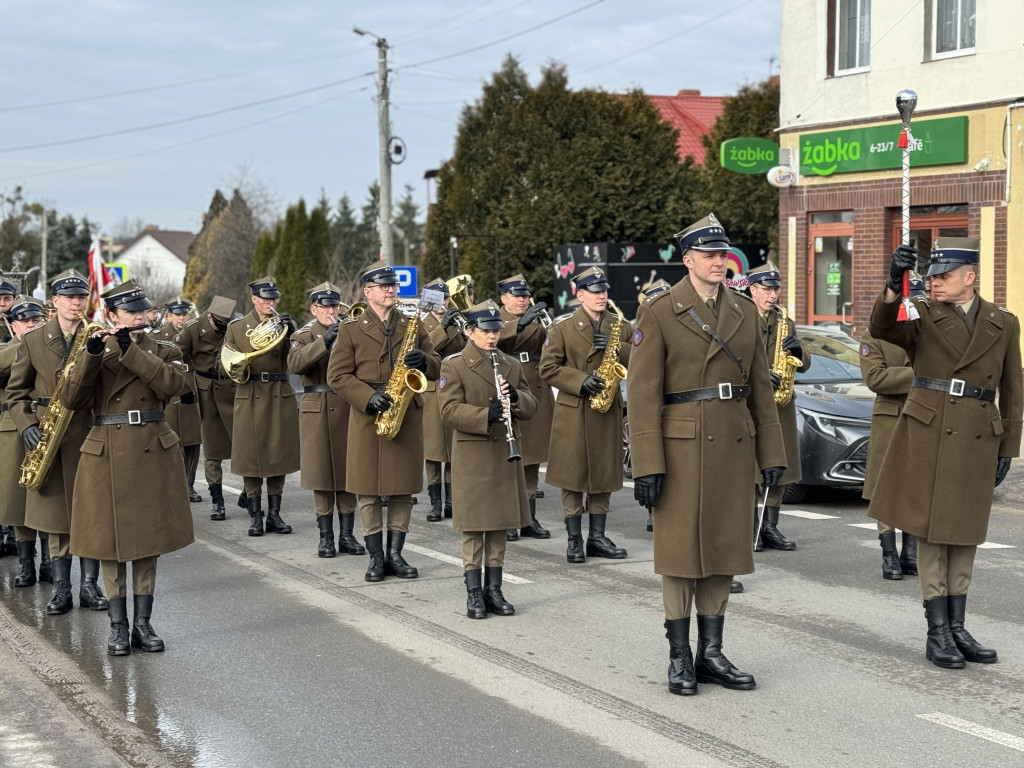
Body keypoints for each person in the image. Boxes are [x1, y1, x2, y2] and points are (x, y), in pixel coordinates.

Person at [629, 214, 786, 695]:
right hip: (680, 447)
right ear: (689, 259)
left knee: (722, 551)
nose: (721, 261)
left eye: (724, 254)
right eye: (710, 255)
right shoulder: (658, 312)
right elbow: (641, 394)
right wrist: (648, 463)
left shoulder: (743, 310)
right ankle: (680, 656)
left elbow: (761, 389)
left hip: (733, 445)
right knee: (679, 557)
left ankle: (711, 654)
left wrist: (771, 452)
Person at [869, 238, 1021, 668]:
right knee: (932, 532)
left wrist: (1008, 445)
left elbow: (1013, 388)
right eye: (932, 275)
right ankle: (937, 631)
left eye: (944, 276)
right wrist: (892, 285)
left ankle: (958, 626)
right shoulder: (920, 313)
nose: (934, 282)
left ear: (969, 277)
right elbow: (883, 329)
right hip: (930, 430)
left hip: (977, 434)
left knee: (965, 532)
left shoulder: (1003, 322)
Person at [64, 280, 194, 655]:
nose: (140, 317)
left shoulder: (165, 349)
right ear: (111, 316)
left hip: (152, 446)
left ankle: (143, 624)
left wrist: (129, 350)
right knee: (109, 541)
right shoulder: (91, 351)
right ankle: (118, 627)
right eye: (131, 312)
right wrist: (90, 356)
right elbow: (73, 399)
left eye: (143, 311)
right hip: (106, 451)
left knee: (147, 541)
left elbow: (173, 385)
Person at [326, 265, 440, 582]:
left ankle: (396, 555)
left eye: (393, 285)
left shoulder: (413, 324)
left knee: (402, 489)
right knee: (368, 490)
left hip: (405, 411)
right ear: (368, 291)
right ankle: (375, 557)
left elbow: (436, 365)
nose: (390, 289)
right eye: (383, 284)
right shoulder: (349, 329)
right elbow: (336, 376)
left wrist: (424, 362)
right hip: (368, 414)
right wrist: (366, 398)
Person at [7, 269, 109, 615]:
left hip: (88, 434)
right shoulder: (32, 340)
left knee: (92, 515)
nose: (75, 303)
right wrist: (26, 426)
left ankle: (90, 587)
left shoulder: (98, 336)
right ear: (55, 301)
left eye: (81, 297)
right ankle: (63, 589)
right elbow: (16, 392)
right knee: (54, 517)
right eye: (68, 297)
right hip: (48, 436)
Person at [438, 300, 537, 617]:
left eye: (496, 331)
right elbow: (448, 410)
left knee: (499, 524)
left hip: (505, 454)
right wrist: (485, 414)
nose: (493, 336)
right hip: (473, 452)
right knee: (474, 528)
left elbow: (532, 404)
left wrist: (516, 398)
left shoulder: (510, 364)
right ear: (470, 331)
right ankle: (474, 593)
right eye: (486, 331)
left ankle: (494, 589)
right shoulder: (453, 364)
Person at [540, 266, 631, 564]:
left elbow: (642, 357)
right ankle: (574, 539)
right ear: (580, 295)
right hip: (575, 410)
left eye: (604, 290)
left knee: (604, 474)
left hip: (606, 410)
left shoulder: (620, 325)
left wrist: (619, 350)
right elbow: (548, 368)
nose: (602, 296)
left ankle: (598, 538)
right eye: (595, 291)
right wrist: (580, 380)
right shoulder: (562, 326)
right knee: (573, 476)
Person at [287, 282, 363, 558]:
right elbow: (295, 364)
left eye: (334, 306)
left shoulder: (351, 329)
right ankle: (325, 537)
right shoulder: (303, 334)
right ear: (314, 308)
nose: (331, 311)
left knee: (347, 472)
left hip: (346, 405)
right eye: (325, 306)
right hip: (316, 406)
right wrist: (324, 342)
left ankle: (347, 535)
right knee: (320, 474)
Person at [859, 278, 925, 580]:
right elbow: (876, 379)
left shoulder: (925, 334)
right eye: (907, 299)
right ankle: (889, 556)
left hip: (920, 415)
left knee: (914, 488)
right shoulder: (873, 336)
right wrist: (919, 375)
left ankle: (910, 554)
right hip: (889, 417)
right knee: (884, 490)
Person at [225, 277, 300, 536]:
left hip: (279, 391)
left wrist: (292, 332)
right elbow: (222, 363)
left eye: (273, 298)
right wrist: (240, 366)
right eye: (265, 298)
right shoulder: (237, 328)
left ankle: (274, 516)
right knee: (251, 457)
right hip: (251, 391)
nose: (271, 303)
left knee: (278, 456)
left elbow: (298, 359)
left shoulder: (284, 325)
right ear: (254, 299)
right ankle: (255, 516)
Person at [745, 263, 810, 552]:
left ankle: (770, 527)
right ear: (753, 289)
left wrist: (799, 351)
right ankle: (751, 529)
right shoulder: (741, 317)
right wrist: (759, 375)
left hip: (781, 404)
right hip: (751, 403)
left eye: (776, 290)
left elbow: (804, 363)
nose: (773, 296)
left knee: (780, 467)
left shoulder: (785, 320)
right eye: (767, 290)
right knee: (750, 468)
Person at [497, 274, 554, 540]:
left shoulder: (536, 320)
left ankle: (529, 517)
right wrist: (520, 324)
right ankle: (508, 516)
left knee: (531, 457)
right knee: (508, 456)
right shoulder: (494, 318)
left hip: (535, 385)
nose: (522, 300)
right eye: (516, 296)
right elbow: (491, 340)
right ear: (504, 298)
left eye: (525, 296)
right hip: (506, 382)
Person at [0, 297, 51, 585]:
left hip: (45, 422)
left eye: (37, 321)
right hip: (13, 428)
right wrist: (33, 343)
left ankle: (48, 563)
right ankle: (26, 564)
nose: (32, 325)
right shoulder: (10, 349)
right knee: (18, 500)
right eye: (26, 322)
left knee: (46, 496)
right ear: (13, 324)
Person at [174, 295, 237, 520]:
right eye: (217, 325)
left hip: (231, 388)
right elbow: (175, 359)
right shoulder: (192, 329)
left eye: (224, 326)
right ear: (209, 316)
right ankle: (217, 501)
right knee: (212, 449)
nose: (220, 330)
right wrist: (185, 388)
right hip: (206, 391)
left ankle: (250, 494)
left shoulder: (234, 326)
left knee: (244, 444)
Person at [421, 278, 466, 522]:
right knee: (433, 449)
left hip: (453, 388)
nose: (443, 303)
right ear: (428, 300)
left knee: (452, 447)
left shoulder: (456, 322)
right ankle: (435, 503)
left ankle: (451, 501)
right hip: (429, 390)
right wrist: (444, 328)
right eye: (438, 299)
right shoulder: (419, 323)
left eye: (446, 299)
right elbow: (427, 349)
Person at [155, 297, 203, 503]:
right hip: (172, 393)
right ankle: (173, 484)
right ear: (169, 317)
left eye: (185, 314)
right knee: (173, 440)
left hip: (191, 389)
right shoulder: (158, 336)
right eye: (178, 315)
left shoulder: (193, 333)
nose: (182, 318)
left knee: (193, 441)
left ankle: (189, 484)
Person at [634, 278, 671, 534]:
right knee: (654, 465)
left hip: (676, 407)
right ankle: (652, 512)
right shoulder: (646, 323)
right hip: (655, 403)